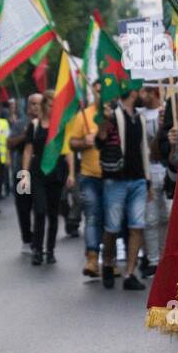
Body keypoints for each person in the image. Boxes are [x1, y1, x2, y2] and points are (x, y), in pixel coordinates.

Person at [95, 90, 148, 290]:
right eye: (139, 88)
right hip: (115, 180)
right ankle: (108, 264)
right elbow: (99, 142)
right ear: (133, 92)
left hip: (138, 180)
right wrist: (103, 122)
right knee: (112, 227)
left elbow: (144, 149)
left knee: (137, 226)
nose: (142, 90)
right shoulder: (113, 115)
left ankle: (129, 273)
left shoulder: (139, 117)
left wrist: (147, 180)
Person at [26, 89, 69, 266]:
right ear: (45, 105)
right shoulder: (35, 125)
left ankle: (50, 250)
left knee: (53, 214)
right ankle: (37, 249)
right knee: (40, 211)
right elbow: (28, 150)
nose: (53, 108)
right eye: (51, 105)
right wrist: (23, 175)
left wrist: (72, 174)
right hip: (38, 173)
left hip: (57, 172)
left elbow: (67, 152)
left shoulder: (61, 126)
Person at [66, 83, 104, 278]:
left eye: (103, 89)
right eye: (97, 90)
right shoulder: (84, 115)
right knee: (92, 216)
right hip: (89, 175)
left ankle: (109, 260)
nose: (100, 93)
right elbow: (72, 143)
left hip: (114, 177)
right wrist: (84, 142)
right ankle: (91, 258)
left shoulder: (114, 114)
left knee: (110, 220)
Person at [139, 84, 169, 276]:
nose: (142, 95)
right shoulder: (139, 114)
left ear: (154, 93)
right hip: (148, 172)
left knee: (168, 216)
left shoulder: (167, 111)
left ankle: (166, 258)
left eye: (146, 91)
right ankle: (152, 259)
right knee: (150, 219)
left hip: (166, 171)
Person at [7, 96, 37, 255]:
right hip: (22, 173)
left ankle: (38, 240)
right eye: (32, 103)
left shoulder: (47, 123)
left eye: (38, 104)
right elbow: (9, 143)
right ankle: (26, 239)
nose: (35, 107)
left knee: (40, 208)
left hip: (40, 173)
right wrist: (25, 136)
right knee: (24, 207)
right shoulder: (20, 123)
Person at [0, 102, 11, 214]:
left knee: (0, 181)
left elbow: (8, 141)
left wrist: (8, 157)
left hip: (2, 156)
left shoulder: (3, 123)